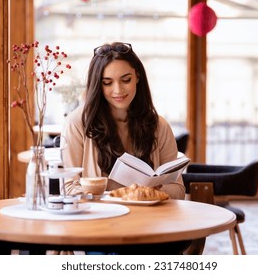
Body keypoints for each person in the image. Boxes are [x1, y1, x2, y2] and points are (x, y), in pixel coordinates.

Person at [61, 42, 185, 200]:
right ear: (97, 85)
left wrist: (156, 189)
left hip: (148, 222)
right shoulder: (77, 123)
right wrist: (115, 192)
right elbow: (68, 187)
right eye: (107, 83)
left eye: (126, 80)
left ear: (137, 77)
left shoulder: (159, 126)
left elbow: (179, 191)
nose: (118, 90)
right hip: (99, 221)